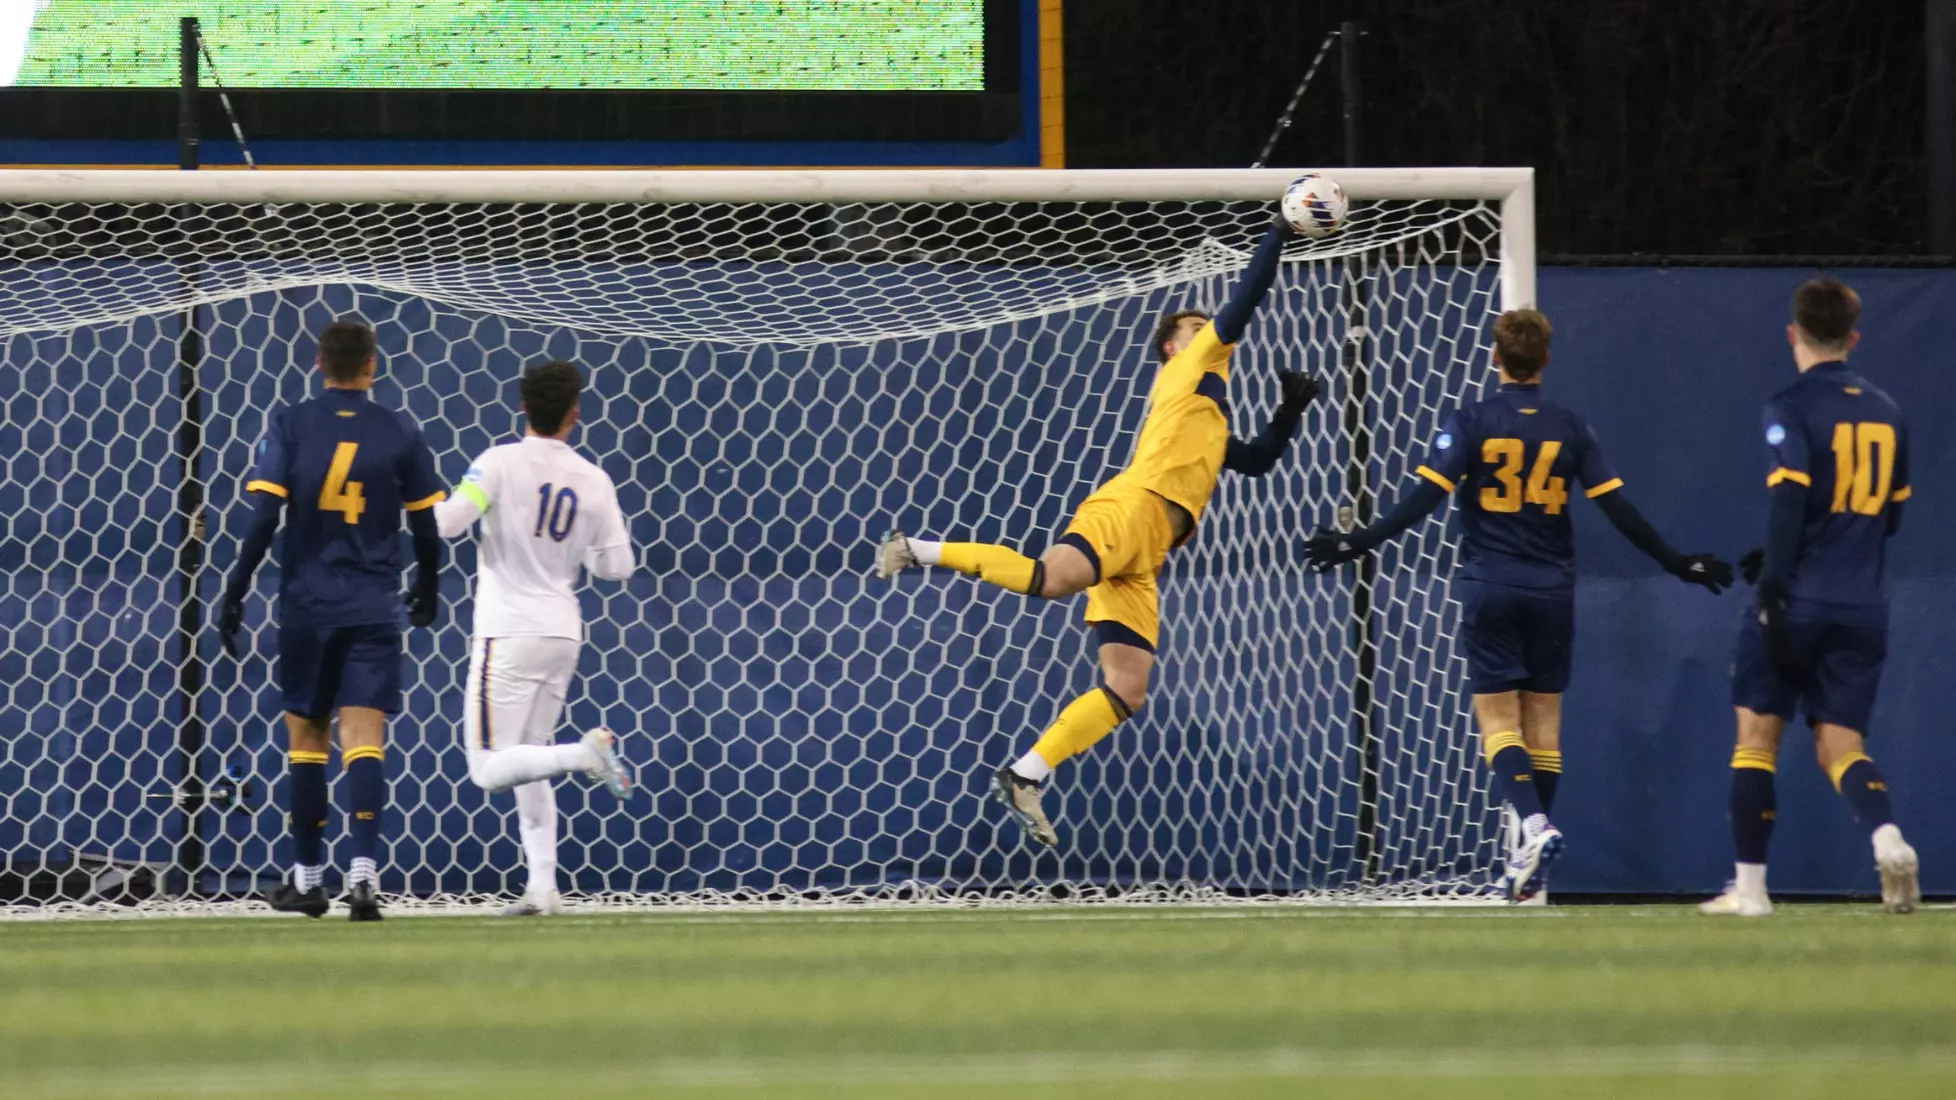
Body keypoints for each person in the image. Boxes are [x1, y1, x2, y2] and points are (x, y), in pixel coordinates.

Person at [876, 211, 1321, 848]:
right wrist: (1278, 233)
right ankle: (916, 549)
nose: (1206, 331)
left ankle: (1026, 774)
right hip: (1132, 508)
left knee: (1127, 689)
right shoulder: (1189, 369)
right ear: (1175, 346)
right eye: (1193, 328)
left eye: (1203, 326)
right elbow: (1245, 302)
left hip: (1149, 551)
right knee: (1048, 579)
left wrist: (1289, 410)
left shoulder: (1209, 413)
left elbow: (1255, 461)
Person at [1304, 308, 1731, 902]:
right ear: (1547, 359)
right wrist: (1677, 561)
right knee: (1544, 725)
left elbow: (1424, 498)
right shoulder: (1571, 428)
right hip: (1553, 591)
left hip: (1492, 586)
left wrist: (1359, 540)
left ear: (1494, 357)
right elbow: (1619, 509)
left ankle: (1533, 828)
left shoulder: (1474, 420)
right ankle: (1531, 870)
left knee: (1499, 721)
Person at [1701, 277, 1920, 917]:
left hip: (1801, 597)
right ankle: (1887, 837)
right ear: (1852, 337)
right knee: (1842, 744)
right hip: (1865, 603)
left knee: (1756, 736)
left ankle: (1750, 889)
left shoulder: (1790, 405)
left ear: (1793, 332)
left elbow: (1791, 494)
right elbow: (1892, 517)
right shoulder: (1888, 411)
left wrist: (1773, 582)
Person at [219, 318, 445, 921]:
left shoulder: (291, 424)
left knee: (307, 740)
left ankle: (308, 879)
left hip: (307, 606)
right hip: (373, 606)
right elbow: (426, 523)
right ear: (373, 366)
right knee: (365, 739)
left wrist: (235, 589)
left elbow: (265, 516)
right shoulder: (399, 429)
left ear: (320, 363)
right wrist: (429, 582)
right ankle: (365, 876)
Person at [432, 360, 635, 917]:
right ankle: (543, 888)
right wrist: (581, 549)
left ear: (523, 407)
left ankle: (583, 753)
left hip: (509, 630)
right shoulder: (594, 478)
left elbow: (448, 523)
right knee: (530, 760)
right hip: (562, 631)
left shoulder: (497, 462)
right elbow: (618, 566)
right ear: (575, 413)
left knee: (486, 767)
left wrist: (420, 496)